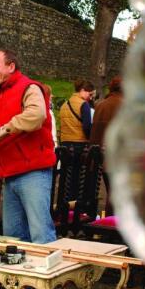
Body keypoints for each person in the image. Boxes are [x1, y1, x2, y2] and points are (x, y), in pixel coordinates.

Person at [0, 49, 56, 244]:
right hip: (10, 174)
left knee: (40, 233)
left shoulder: (29, 88)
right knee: (13, 236)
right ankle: (21, 274)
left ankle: (46, 273)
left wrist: (0, 134)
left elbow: (37, 115)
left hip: (33, 172)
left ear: (11, 66)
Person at [90, 76, 123, 216]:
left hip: (102, 157)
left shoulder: (100, 105)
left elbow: (95, 132)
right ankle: (113, 227)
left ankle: (109, 224)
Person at [59, 79, 94, 201]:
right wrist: (90, 138)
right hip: (79, 145)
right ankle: (75, 206)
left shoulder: (64, 105)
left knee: (65, 177)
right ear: (83, 90)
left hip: (65, 145)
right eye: (89, 94)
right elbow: (86, 127)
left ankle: (63, 203)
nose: (90, 97)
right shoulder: (83, 105)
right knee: (78, 178)